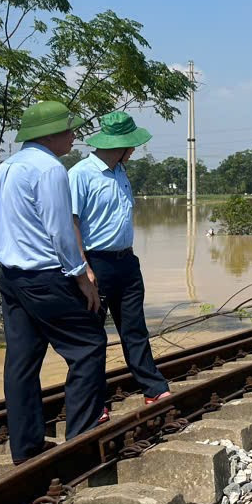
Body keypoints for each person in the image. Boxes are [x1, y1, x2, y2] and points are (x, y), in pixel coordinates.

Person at [0, 100, 106, 463]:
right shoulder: (49, 169)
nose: (74, 137)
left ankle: (25, 449)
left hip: (11, 278)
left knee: (22, 362)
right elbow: (59, 230)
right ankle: (81, 442)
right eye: (69, 130)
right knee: (88, 346)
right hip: (45, 277)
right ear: (50, 134)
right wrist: (81, 275)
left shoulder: (6, 168)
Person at [70, 111, 170, 404]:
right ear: (121, 144)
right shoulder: (80, 175)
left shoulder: (120, 172)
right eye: (133, 145)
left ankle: (153, 388)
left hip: (126, 262)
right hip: (95, 264)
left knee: (135, 328)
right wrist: (83, 267)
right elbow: (70, 223)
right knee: (92, 337)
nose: (135, 151)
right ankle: (92, 404)